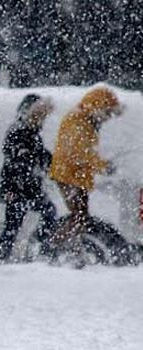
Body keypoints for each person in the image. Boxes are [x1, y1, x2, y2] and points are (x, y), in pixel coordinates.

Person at [48, 86, 123, 268]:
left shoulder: (85, 119)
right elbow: (79, 153)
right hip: (69, 176)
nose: (108, 118)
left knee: (80, 217)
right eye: (107, 113)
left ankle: (70, 249)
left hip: (75, 176)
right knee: (79, 217)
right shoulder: (78, 120)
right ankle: (55, 247)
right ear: (97, 107)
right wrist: (102, 166)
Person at [0, 94, 57, 261]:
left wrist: (52, 163)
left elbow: (41, 156)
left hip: (27, 187)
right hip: (17, 188)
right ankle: (7, 254)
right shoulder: (18, 131)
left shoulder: (31, 132)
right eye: (40, 115)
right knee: (14, 223)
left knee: (19, 222)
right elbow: (18, 161)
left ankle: (33, 245)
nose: (42, 120)